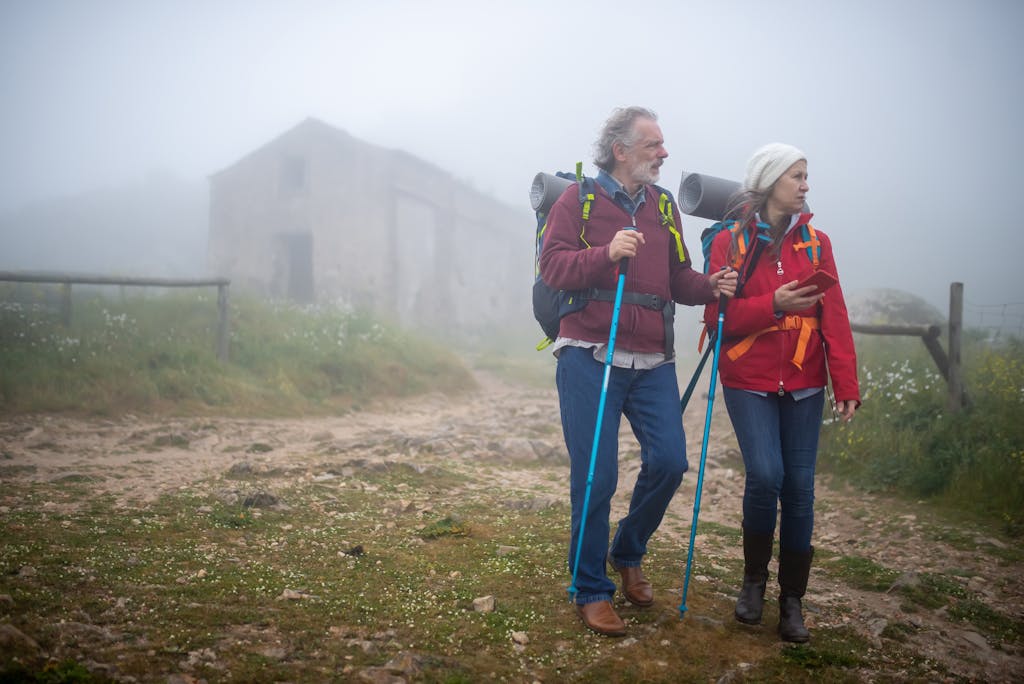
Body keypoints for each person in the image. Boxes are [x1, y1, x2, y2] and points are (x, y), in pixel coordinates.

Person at [539, 106, 737, 637]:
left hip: (652, 359)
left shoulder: (663, 206)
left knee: (671, 463)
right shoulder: (577, 200)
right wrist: (606, 254)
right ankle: (590, 588)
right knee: (596, 476)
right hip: (589, 354)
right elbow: (553, 266)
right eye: (653, 145)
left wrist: (710, 285)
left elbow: (676, 277)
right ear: (620, 150)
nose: (664, 153)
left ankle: (627, 551)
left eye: (663, 145)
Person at [702, 143, 860, 643]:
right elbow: (715, 320)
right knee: (766, 475)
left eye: (806, 175)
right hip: (747, 378)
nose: (805, 185)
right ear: (770, 182)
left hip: (806, 381)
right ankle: (753, 583)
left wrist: (846, 383)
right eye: (796, 176)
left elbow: (834, 314)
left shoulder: (818, 243)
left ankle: (792, 601)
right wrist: (772, 303)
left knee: (800, 489)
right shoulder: (729, 243)